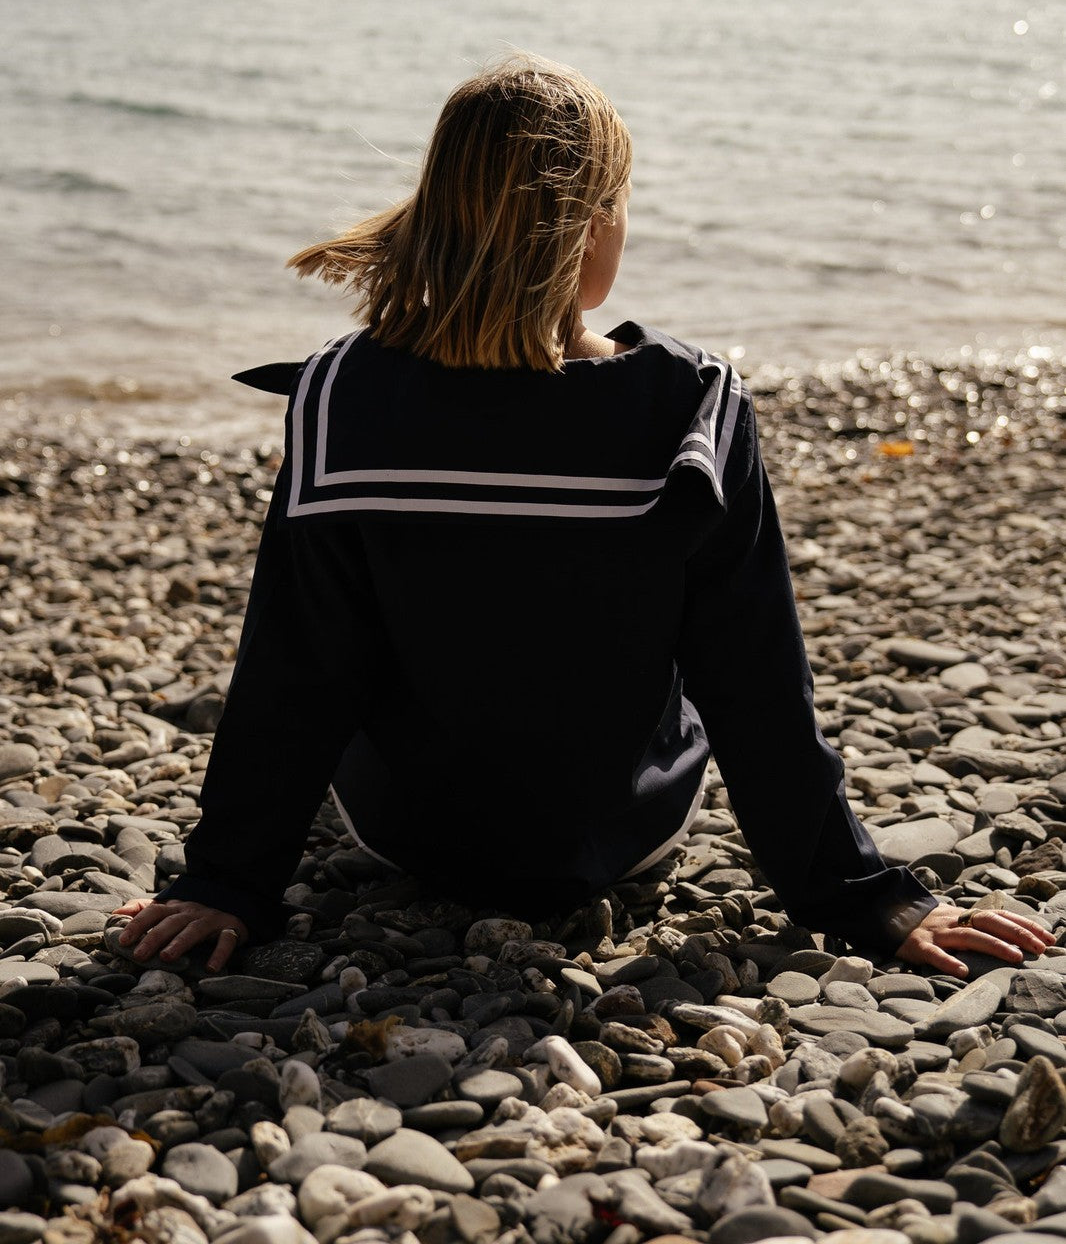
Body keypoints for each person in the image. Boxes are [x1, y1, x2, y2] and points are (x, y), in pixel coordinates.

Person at [116, 56, 1052, 979]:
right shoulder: (687, 403)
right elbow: (754, 678)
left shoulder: (342, 399)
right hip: (625, 831)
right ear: (591, 223)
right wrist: (861, 895)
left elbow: (296, 671)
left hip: (405, 834)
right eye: (621, 203)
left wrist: (227, 884)